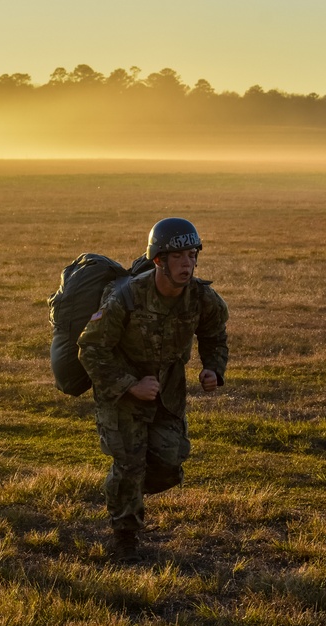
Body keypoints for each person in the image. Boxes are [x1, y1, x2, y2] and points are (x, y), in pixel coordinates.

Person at [78, 217, 229, 563]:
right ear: (159, 260)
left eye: (192, 256)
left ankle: (122, 487)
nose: (187, 264)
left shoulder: (202, 298)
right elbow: (90, 348)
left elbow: (214, 336)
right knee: (130, 462)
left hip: (168, 392)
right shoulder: (126, 297)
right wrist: (130, 385)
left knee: (170, 463)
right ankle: (125, 536)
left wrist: (212, 369)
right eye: (178, 257)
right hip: (121, 393)